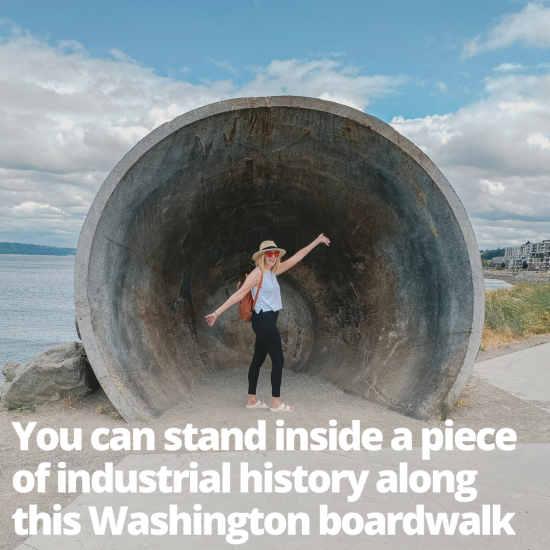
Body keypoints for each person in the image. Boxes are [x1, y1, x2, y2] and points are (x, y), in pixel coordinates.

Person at [205, 234, 331, 412]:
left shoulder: (273, 272)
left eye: (275, 253)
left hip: (269, 319)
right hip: (263, 319)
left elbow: (297, 257)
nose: (273, 256)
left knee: (258, 359)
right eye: (269, 253)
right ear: (262, 256)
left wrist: (316, 241)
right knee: (278, 360)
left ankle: (251, 400)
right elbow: (239, 294)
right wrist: (217, 313)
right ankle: (276, 403)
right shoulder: (257, 274)